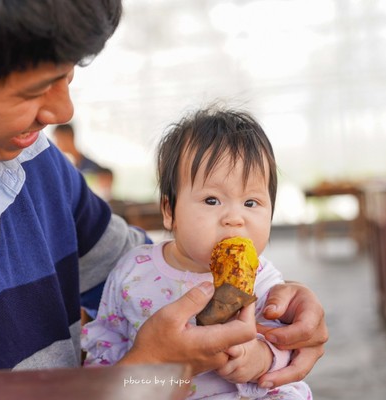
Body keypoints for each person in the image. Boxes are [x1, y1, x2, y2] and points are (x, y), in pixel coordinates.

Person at [0, 0, 326, 385]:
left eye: (67, 77)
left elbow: (138, 269)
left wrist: (280, 303)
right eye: (33, 91)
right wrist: (143, 378)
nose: (62, 110)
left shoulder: (30, 161)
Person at [82, 107, 312, 399]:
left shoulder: (265, 279)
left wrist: (262, 358)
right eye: (212, 199)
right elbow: (105, 345)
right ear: (170, 212)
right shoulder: (134, 271)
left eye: (251, 203)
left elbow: (288, 344)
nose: (234, 217)